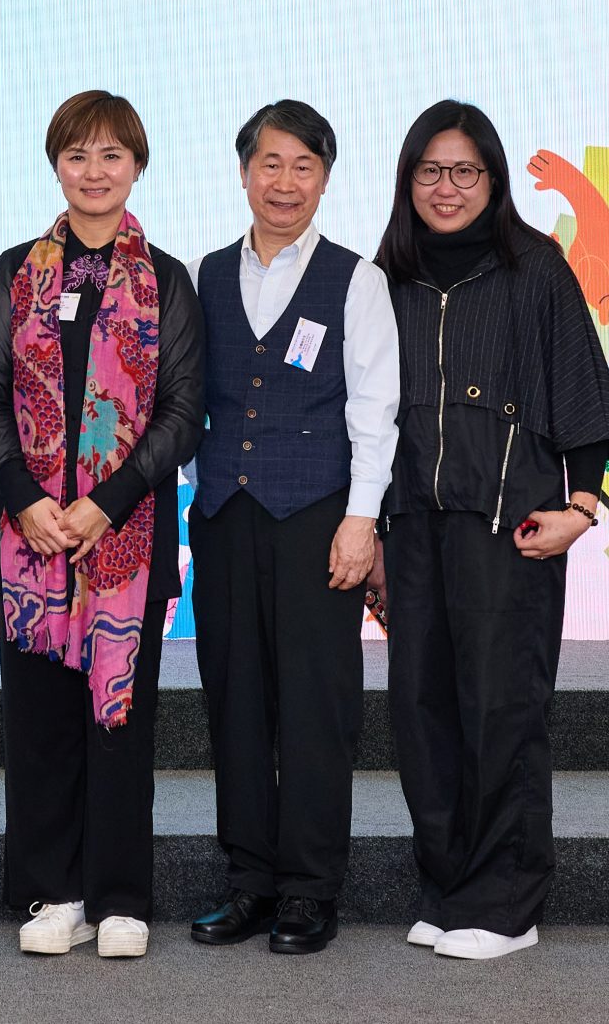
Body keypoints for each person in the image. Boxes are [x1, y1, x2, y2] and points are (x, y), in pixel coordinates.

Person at [375, 99, 609, 961]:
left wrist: (580, 508)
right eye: (430, 171)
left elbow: (583, 392)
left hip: (509, 526)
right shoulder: (385, 276)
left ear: (494, 178)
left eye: (465, 171)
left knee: (501, 709)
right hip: (412, 525)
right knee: (421, 710)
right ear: (408, 180)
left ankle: (506, 905)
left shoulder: (536, 266)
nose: (446, 188)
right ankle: (448, 890)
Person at [0, 91, 205, 960]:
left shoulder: (167, 280)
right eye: (78, 154)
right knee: (39, 727)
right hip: (30, 538)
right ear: (56, 165)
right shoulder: (16, 272)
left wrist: (107, 502)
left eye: (112, 154)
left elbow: (182, 413)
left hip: (126, 540)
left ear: (137, 165)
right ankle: (53, 892)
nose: (94, 171)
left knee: (120, 724)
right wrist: (23, 495)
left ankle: (119, 895)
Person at [184, 100, 398, 957]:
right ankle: (249, 880)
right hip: (223, 518)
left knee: (316, 706)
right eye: (269, 163)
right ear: (244, 172)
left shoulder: (357, 278)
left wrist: (361, 520)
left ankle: (310, 887)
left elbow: (376, 408)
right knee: (234, 700)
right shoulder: (201, 273)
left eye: (303, 165)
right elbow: (184, 398)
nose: (284, 181)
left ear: (325, 177)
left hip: (317, 519)